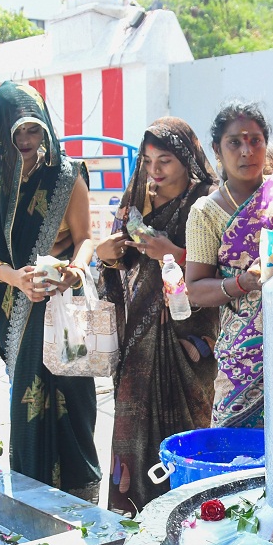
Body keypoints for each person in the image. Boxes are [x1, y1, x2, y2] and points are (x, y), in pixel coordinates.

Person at [0, 81, 101, 501]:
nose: (26, 142)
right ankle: (34, 500)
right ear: (0, 131)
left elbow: (86, 237)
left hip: (65, 302)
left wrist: (75, 270)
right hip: (19, 304)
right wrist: (14, 278)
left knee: (77, 397)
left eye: (33, 132)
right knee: (28, 403)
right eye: (16, 133)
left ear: (46, 128)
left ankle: (82, 498)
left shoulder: (67, 173)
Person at [95, 118, 219, 516]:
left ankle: (191, 518)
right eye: (148, 161)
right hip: (140, 340)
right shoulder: (136, 202)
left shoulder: (208, 202)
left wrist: (172, 251)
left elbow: (220, 271)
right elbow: (114, 270)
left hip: (191, 340)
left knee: (188, 431)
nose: (155, 170)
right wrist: (107, 254)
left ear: (186, 158)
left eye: (165, 160)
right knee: (132, 429)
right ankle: (132, 519)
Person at [184, 101, 273, 429]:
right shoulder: (206, 212)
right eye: (235, 142)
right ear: (217, 149)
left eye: (255, 141)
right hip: (243, 358)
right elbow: (196, 290)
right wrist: (244, 283)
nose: (246, 151)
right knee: (236, 453)